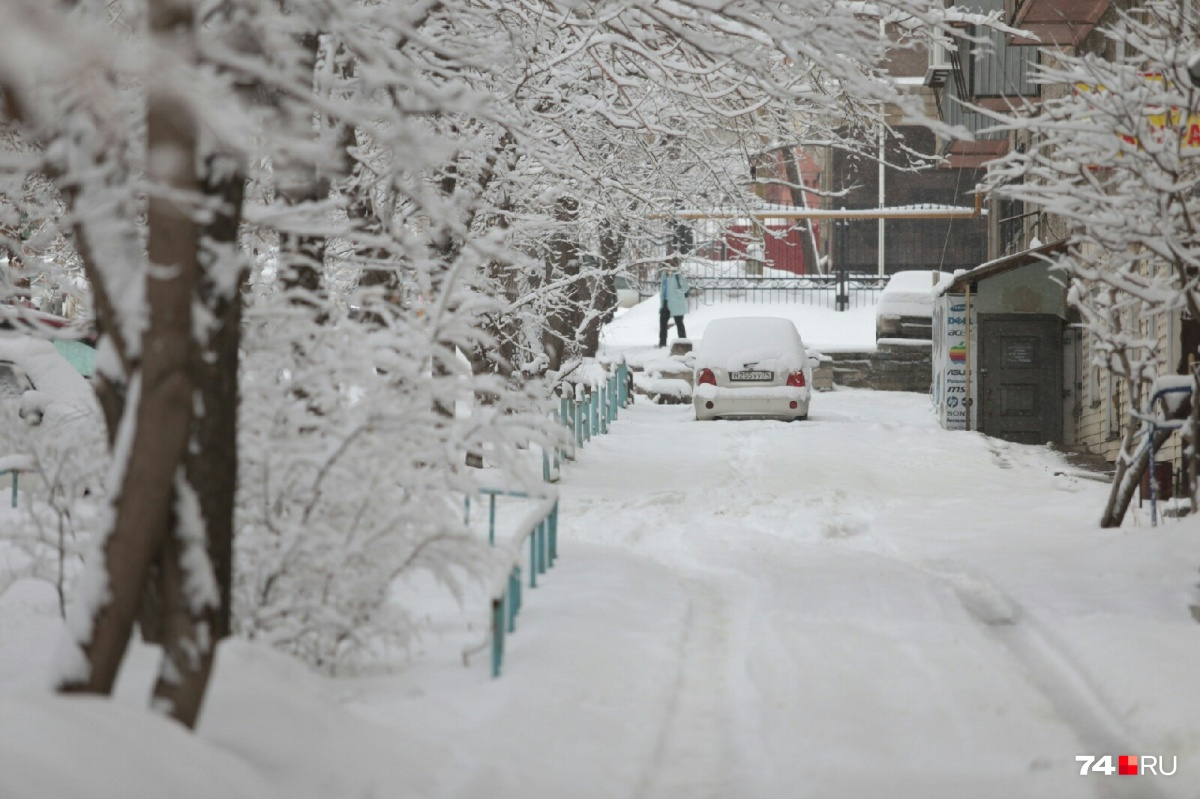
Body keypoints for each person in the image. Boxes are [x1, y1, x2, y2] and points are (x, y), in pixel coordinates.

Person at [658, 265, 690, 347]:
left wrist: (677, 293)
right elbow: (663, 289)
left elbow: (685, 288)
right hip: (665, 302)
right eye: (664, 266)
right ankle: (662, 344)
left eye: (666, 266)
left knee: (679, 324)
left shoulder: (677, 274)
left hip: (676, 304)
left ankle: (684, 344)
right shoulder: (663, 275)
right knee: (662, 323)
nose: (665, 269)